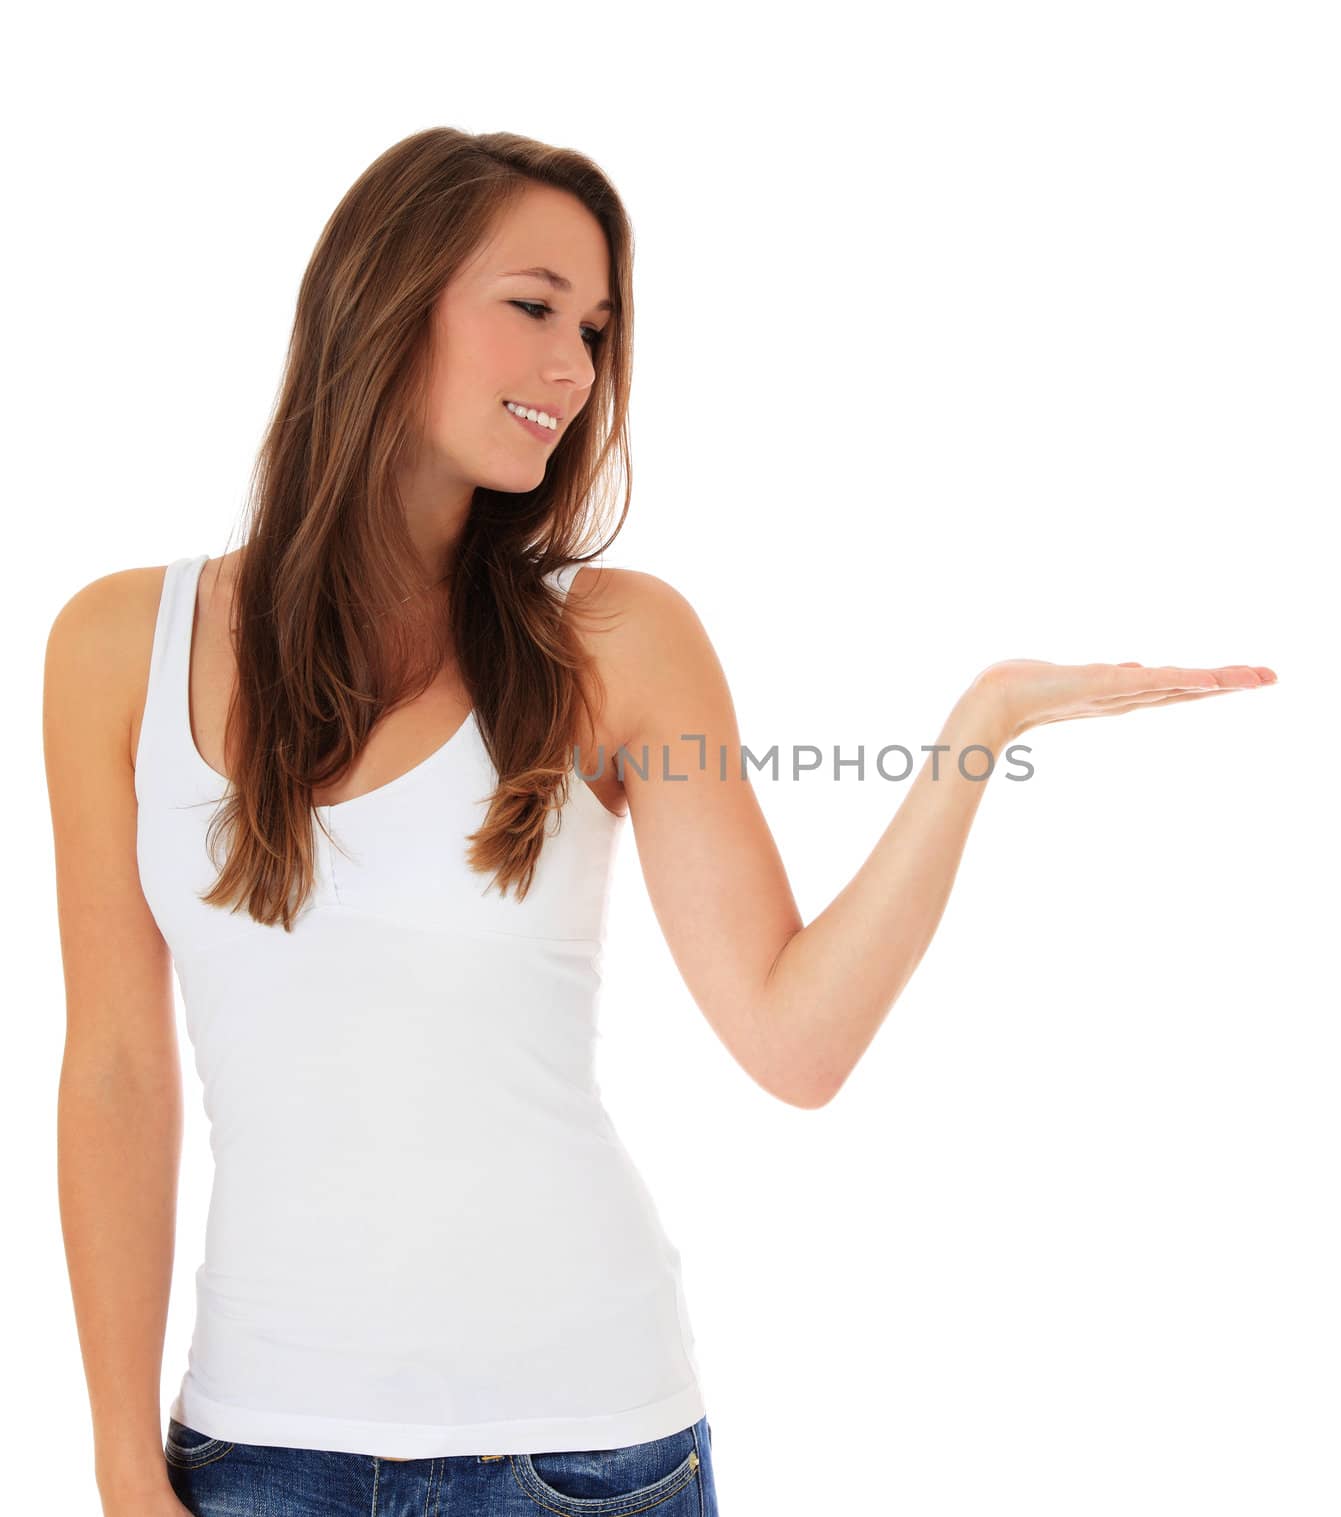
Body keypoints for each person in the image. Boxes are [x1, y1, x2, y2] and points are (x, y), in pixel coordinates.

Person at [42, 126, 1276, 1517]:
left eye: (598, 329)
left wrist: (975, 731)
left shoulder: (615, 642)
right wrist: (116, 1458)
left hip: (582, 1458)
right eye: (533, 307)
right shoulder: (113, 647)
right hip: (252, 1453)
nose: (573, 370)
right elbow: (116, 1071)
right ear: (382, 299)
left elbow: (793, 1039)